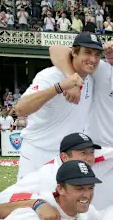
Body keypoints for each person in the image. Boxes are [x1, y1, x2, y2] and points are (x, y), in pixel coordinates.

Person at [15, 31, 101, 180]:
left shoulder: (91, 78)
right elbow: (21, 108)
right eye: (87, 53)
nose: (93, 59)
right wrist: (60, 86)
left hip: (67, 157)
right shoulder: (50, 76)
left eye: (97, 54)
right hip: (38, 153)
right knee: (30, 202)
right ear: (73, 52)